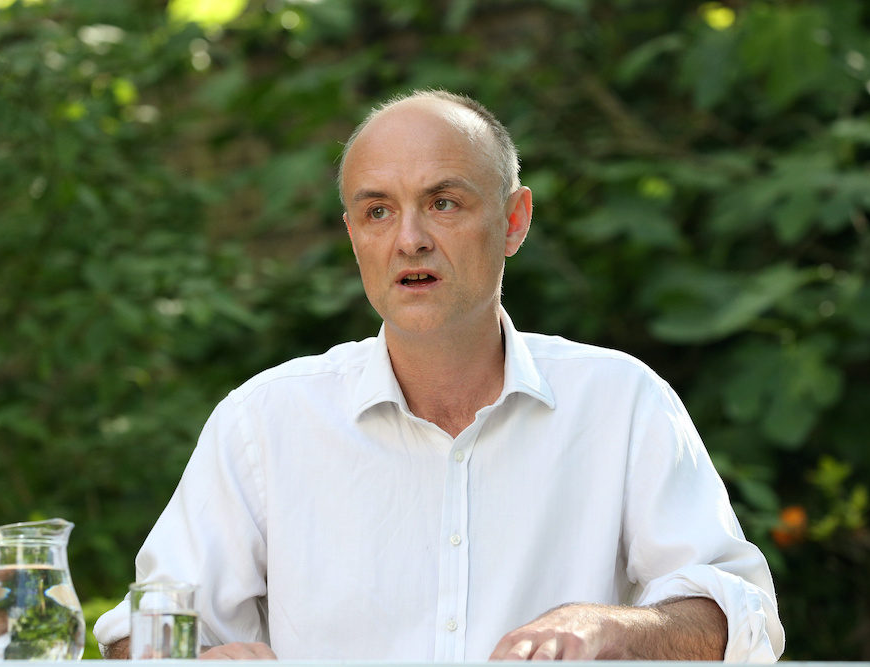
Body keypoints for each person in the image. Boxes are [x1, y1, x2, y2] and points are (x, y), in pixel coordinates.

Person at [94, 89, 785, 662]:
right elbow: (142, 631)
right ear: (353, 236)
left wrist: (613, 628)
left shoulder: (621, 401)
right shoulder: (264, 422)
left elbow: (739, 617)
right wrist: (197, 658)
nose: (409, 239)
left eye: (444, 202)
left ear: (514, 220)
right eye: (377, 211)